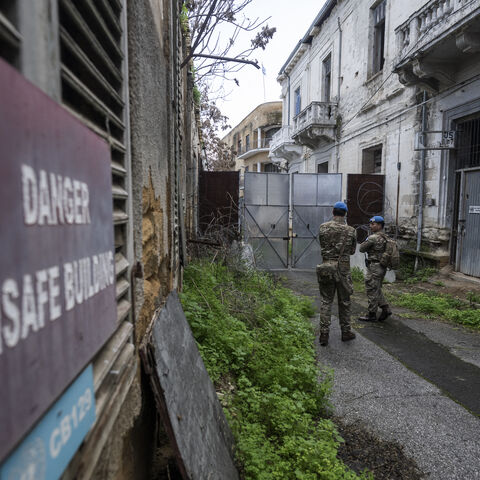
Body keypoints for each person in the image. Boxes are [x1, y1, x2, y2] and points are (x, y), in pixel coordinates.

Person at [316, 201, 357, 346]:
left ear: (333, 212)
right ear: (345, 214)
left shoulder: (323, 227)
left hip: (327, 266)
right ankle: (346, 332)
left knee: (326, 301)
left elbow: (322, 245)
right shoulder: (351, 230)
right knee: (344, 302)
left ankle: (324, 335)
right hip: (343, 269)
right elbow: (352, 251)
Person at [358, 216, 392, 322]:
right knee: (376, 288)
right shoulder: (386, 237)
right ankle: (385, 308)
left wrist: (367, 239)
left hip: (374, 267)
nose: (371, 226)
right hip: (382, 266)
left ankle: (371, 314)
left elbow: (361, 249)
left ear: (380, 225)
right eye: (370, 224)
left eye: (373, 224)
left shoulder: (373, 238)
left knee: (371, 289)